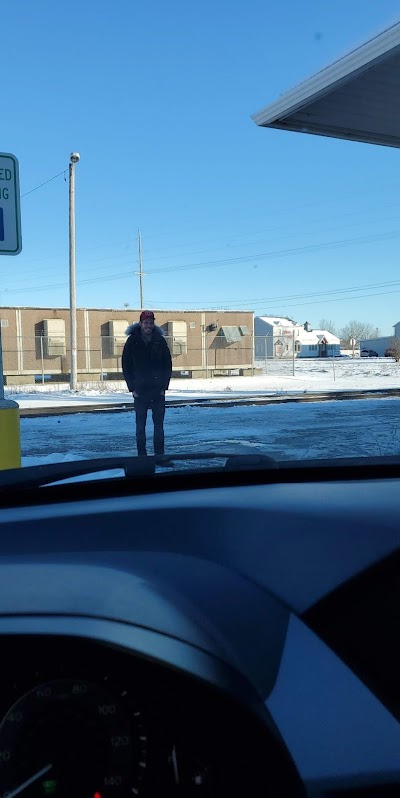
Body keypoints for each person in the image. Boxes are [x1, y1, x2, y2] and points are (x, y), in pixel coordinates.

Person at [122, 310, 172, 456]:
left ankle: (160, 456)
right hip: (140, 390)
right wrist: (132, 388)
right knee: (140, 427)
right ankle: (142, 457)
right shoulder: (132, 341)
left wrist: (164, 387)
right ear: (140, 324)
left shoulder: (160, 340)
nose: (148, 325)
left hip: (157, 390)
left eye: (151, 323)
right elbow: (126, 365)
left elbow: (167, 365)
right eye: (146, 323)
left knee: (159, 427)